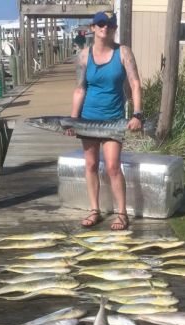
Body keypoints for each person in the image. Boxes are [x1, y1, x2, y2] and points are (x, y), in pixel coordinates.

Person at [68, 10, 142, 230]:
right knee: (90, 165)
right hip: (88, 118)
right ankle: (94, 210)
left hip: (113, 120)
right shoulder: (83, 56)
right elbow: (80, 89)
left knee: (112, 167)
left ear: (114, 28)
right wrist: (73, 120)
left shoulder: (124, 53)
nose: (105, 28)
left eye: (109, 25)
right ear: (93, 28)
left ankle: (122, 213)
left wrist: (137, 113)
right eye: (100, 24)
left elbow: (135, 83)